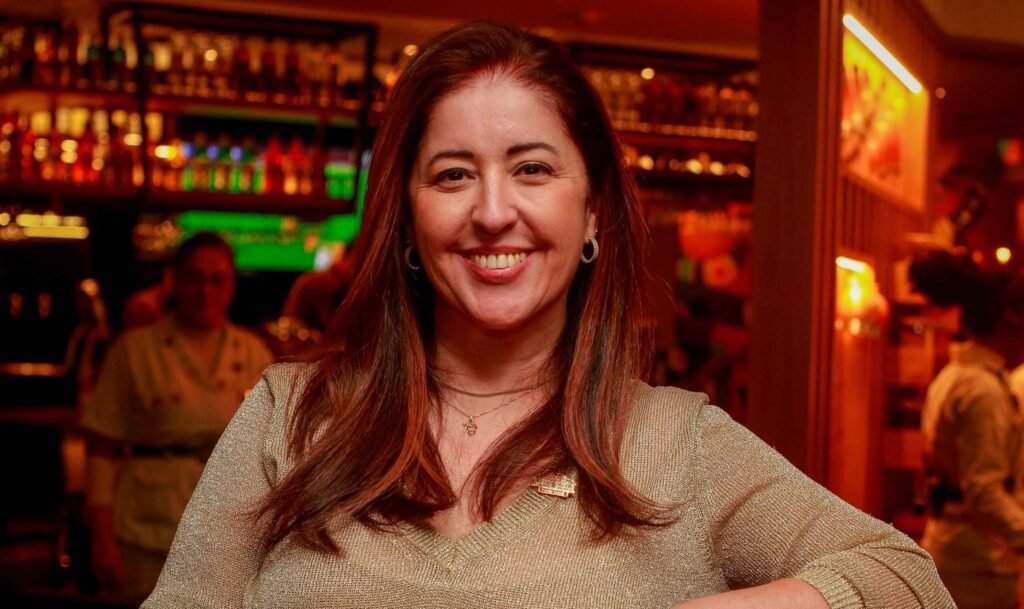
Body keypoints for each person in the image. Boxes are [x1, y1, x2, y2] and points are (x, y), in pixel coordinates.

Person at [143, 23, 951, 608]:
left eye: (532, 168)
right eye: (453, 175)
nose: (494, 211)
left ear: (592, 210)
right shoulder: (289, 418)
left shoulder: (678, 442)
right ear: (408, 221)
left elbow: (907, 577)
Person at [81, 231, 273, 602]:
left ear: (232, 285)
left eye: (217, 280)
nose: (206, 291)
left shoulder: (254, 354)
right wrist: (101, 539)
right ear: (174, 281)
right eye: (194, 278)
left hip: (224, 540)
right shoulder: (134, 351)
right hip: (146, 534)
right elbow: (101, 449)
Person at [911, 250, 1024, 609]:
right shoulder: (982, 389)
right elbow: (983, 490)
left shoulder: (956, 375)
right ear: (1010, 321)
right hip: (976, 562)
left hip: (954, 547)